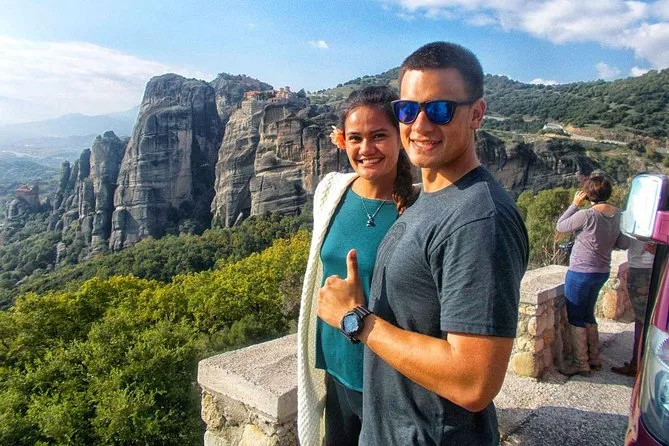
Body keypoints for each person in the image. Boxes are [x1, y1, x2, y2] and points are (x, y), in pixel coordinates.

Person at [317, 42, 529, 445]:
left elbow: (474, 382)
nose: (420, 125)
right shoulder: (430, 199)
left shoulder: (479, 220)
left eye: (440, 109)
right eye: (408, 110)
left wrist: (355, 320)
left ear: (477, 113)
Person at [296, 86, 415, 446]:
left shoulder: (419, 208)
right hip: (335, 367)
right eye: (355, 138)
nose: (366, 149)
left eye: (379, 136)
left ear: (400, 136)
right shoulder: (331, 191)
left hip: (388, 379)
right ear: (342, 141)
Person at [556, 176, 629, 376]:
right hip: (601, 272)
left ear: (588, 194)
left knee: (576, 317)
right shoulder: (618, 215)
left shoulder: (587, 215)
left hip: (580, 272)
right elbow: (623, 244)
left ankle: (581, 364)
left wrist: (574, 205)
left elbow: (560, 226)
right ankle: (595, 359)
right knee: (588, 313)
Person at [611, 238, 655, 376]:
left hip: (642, 269)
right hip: (657, 267)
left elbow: (622, 243)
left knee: (642, 320)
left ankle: (637, 365)